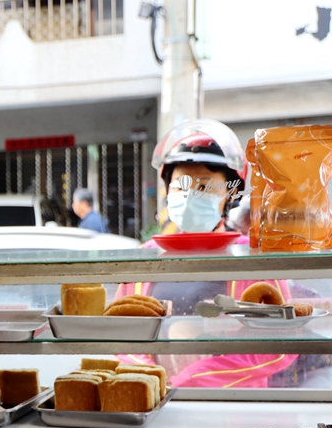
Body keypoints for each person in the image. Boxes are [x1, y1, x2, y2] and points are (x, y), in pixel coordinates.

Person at [117, 119, 307, 387]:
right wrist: (151, 378)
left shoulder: (252, 257)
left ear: (230, 194)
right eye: (180, 185)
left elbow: (280, 346)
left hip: (229, 404)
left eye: (205, 186)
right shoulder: (146, 257)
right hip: (157, 401)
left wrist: (194, 379)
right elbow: (119, 334)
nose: (190, 196)